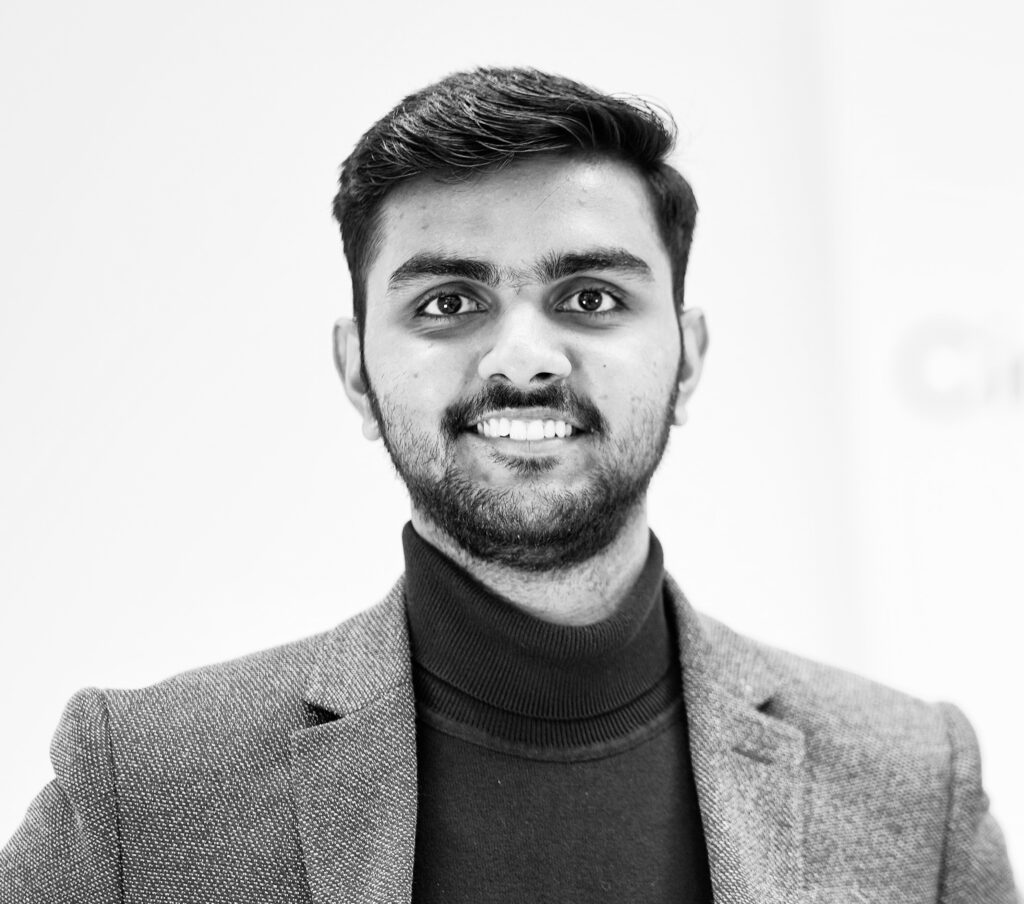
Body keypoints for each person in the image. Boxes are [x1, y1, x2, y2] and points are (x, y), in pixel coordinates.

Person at [0, 67, 1017, 904]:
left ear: (688, 358)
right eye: (449, 302)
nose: (523, 358)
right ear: (356, 371)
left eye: (591, 296)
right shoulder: (148, 784)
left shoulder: (912, 781)